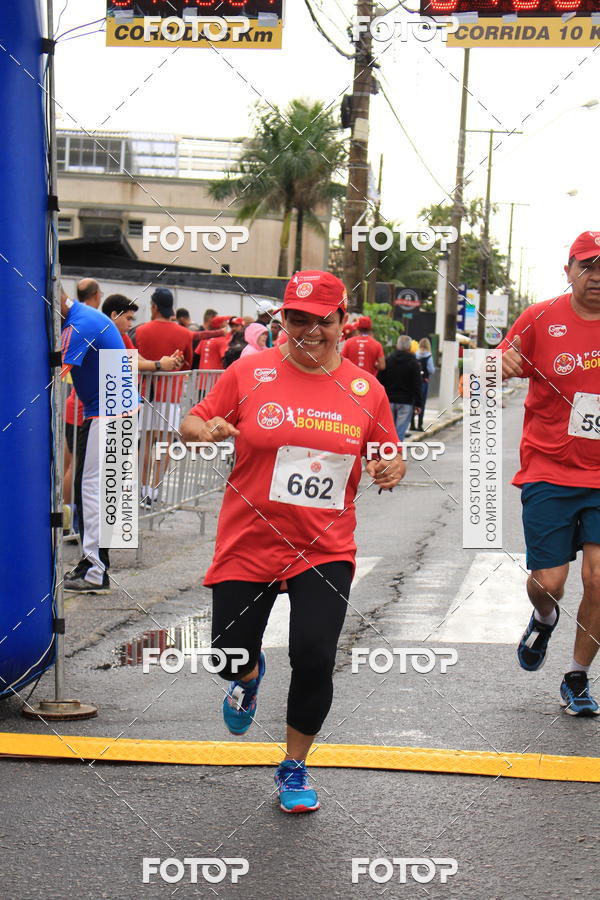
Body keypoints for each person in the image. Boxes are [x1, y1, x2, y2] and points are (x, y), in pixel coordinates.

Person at [180, 269, 405, 814]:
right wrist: (203, 430)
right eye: (296, 320)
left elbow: (388, 452)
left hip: (324, 546)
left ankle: (294, 765)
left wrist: (391, 466)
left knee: (314, 656)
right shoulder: (249, 371)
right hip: (249, 538)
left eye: (321, 320)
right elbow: (193, 421)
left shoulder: (366, 389)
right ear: (283, 320)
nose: (309, 331)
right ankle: (248, 676)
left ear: (342, 322)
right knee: (227, 655)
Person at [501, 231, 600, 716]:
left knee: (599, 579)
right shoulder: (540, 318)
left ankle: (577, 677)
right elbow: (486, 374)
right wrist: (498, 365)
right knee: (550, 583)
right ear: (569, 271)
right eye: (588, 265)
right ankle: (543, 618)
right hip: (549, 470)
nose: (597, 276)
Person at [60, 287, 126, 594]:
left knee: (91, 490)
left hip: (106, 413)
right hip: (108, 410)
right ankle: (94, 566)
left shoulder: (79, 325)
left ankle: (95, 570)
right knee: (93, 489)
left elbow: (50, 372)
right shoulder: (81, 317)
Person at [133, 288, 193, 504]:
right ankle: (155, 490)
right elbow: (187, 364)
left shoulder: (141, 330)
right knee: (165, 444)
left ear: (154, 307)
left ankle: (142, 488)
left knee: (145, 443)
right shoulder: (185, 334)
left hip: (145, 393)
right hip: (171, 395)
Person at [102, 294, 184, 372]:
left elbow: (139, 360)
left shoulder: (122, 336)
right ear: (114, 315)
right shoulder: (103, 336)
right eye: (128, 319)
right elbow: (124, 364)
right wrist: (160, 364)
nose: (130, 324)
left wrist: (169, 362)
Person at [377, 335, 422, 441]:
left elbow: (380, 380)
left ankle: (388, 448)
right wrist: (418, 403)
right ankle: (396, 448)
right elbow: (417, 385)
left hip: (389, 400)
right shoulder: (414, 363)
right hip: (406, 401)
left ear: (397, 345)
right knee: (400, 431)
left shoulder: (388, 360)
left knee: (389, 429)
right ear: (409, 347)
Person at [411, 337, 435, 432]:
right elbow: (431, 370)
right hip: (424, 381)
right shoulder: (429, 356)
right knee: (422, 403)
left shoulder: (415, 355)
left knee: (413, 402)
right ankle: (419, 425)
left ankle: (412, 424)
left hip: (414, 381)